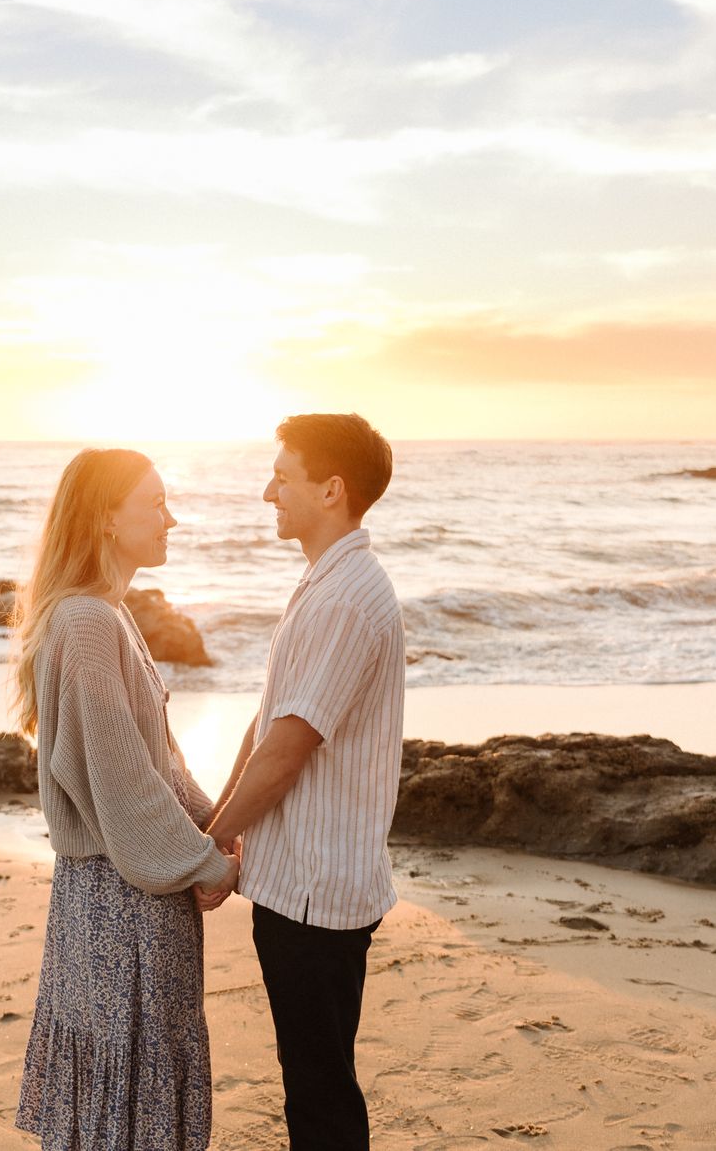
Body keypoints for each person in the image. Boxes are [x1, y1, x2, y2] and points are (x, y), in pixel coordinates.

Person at [12, 447, 241, 1151]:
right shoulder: (86, 622)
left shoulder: (107, 615)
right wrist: (208, 865)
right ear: (109, 519)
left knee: (126, 1107)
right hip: (122, 905)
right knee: (128, 1117)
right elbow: (123, 785)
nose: (172, 518)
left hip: (120, 895)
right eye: (156, 503)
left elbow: (158, 765)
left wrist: (217, 827)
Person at [204, 413, 404, 1151]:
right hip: (299, 883)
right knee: (310, 1077)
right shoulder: (325, 586)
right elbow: (266, 727)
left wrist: (214, 841)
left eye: (281, 477)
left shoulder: (348, 599)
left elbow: (287, 752)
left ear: (330, 489)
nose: (267, 493)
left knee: (319, 1091)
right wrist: (217, 828)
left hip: (319, 895)